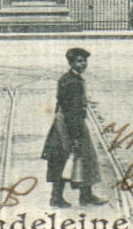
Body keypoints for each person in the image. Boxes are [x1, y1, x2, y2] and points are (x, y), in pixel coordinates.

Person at [41, 47, 106, 208]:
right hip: (71, 125)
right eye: (79, 61)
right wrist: (76, 136)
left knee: (63, 160)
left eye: (84, 61)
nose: (83, 64)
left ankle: (74, 196)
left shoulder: (67, 78)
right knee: (77, 158)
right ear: (71, 63)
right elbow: (73, 110)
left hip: (63, 124)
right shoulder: (73, 83)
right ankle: (75, 197)